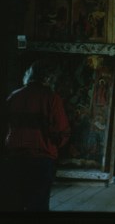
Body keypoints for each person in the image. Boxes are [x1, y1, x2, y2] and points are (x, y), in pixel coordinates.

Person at [1, 60, 70, 212]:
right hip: (41, 160)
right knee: (38, 206)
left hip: (14, 159)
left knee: (13, 205)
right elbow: (61, 131)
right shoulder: (52, 98)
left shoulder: (14, 96)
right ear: (48, 78)